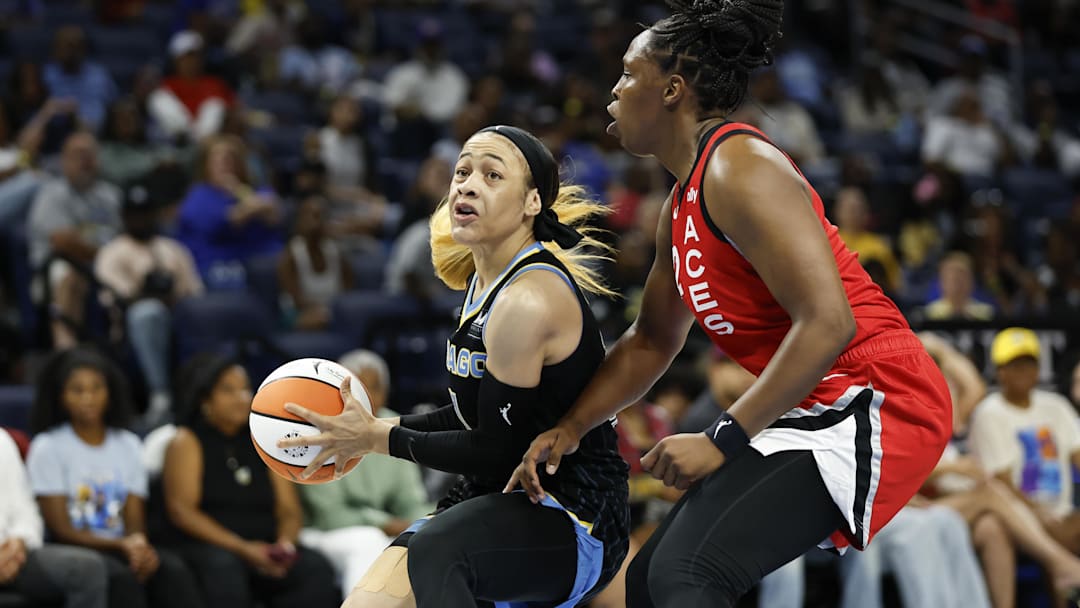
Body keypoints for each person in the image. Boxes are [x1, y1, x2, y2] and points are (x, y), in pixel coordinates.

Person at [505, 2, 953, 606]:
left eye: (628, 73)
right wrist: (570, 426)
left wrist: (721, 437)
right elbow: (651, 341)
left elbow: (828, 322)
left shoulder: (739, 165)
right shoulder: (680, 206)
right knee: (647, 581)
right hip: (816, 398)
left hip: (877, 392)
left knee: (686, 574)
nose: (613, 89)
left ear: (672, 89)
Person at [278, 124, 631, 608]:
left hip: (572, 513)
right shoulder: (480, 284)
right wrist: (372, 428)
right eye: (462, 172)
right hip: (495, 500)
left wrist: (378, 438)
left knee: (437, 550)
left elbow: (496, 450)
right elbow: (471, 416)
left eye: (492, 175)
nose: (467, 185)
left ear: (532, 202)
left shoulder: (528, 299)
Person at [25, 348, 202, 608]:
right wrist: (123, 545)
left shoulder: (128, 444)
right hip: (78, 549)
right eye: (77, 390)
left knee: (172, 571)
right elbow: (61, 529)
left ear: (110, 392)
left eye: (96, 388)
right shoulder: (48, 446)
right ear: (61, 396)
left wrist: (138, 546)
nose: (88, 398)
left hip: (123, 545)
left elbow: (134, 518)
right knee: (121, 580)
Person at [161, 353, 339, 608]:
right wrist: (244, 549)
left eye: (246, 389)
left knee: (315, 570)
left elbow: (288, 509)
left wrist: (285, 547)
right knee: (224, 570)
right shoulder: (186, 441)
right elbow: (182, 512)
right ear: (205, 399)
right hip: (212, 545)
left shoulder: (266, 441)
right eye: (228, 390)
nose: (242, 398)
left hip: (266, 545)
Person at [298, 349, 433, 599]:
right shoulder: (321, 427)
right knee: (368, 541)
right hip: (321, 532)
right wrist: (385, 523)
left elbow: (410, 501)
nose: (368, 395)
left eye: (375, 387)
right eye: (358, 387)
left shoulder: (393, 426)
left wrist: (424, 523)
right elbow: (330, 514)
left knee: (430, 540)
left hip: (380, 529)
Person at [0, 427, 110, 608]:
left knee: (86, 568)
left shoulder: (2, 441)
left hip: (10, 554)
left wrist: (18, 542)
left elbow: (27, 511)